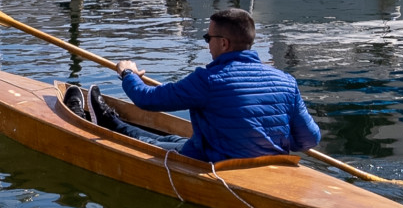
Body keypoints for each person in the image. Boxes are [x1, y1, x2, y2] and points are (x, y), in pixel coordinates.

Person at [113, 8, 321, 162]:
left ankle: (114, 124)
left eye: (208, 37)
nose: (207, 44)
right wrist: (273, 144)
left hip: (216, 165)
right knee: (173, 138)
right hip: (269, 163)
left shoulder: (209, 79)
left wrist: (128, 73)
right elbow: (310, 139)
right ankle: (114, 122)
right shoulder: (287, 81)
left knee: (148, 143)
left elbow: (147, 99)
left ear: (223, 43)